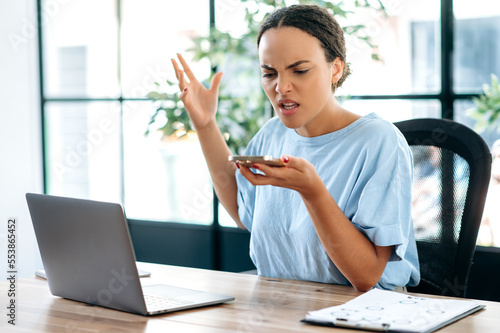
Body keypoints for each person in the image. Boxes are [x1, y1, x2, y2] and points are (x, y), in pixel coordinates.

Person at [171, 4, 420, 291]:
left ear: (335, 69)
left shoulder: (379, 142)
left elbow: (366, 277)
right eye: (269, 73)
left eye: (299, 70)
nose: (281, 87)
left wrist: (312, 191)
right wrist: (205, 125)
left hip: (362, 312)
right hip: (283, 305)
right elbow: (243, 211)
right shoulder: (272, 134)